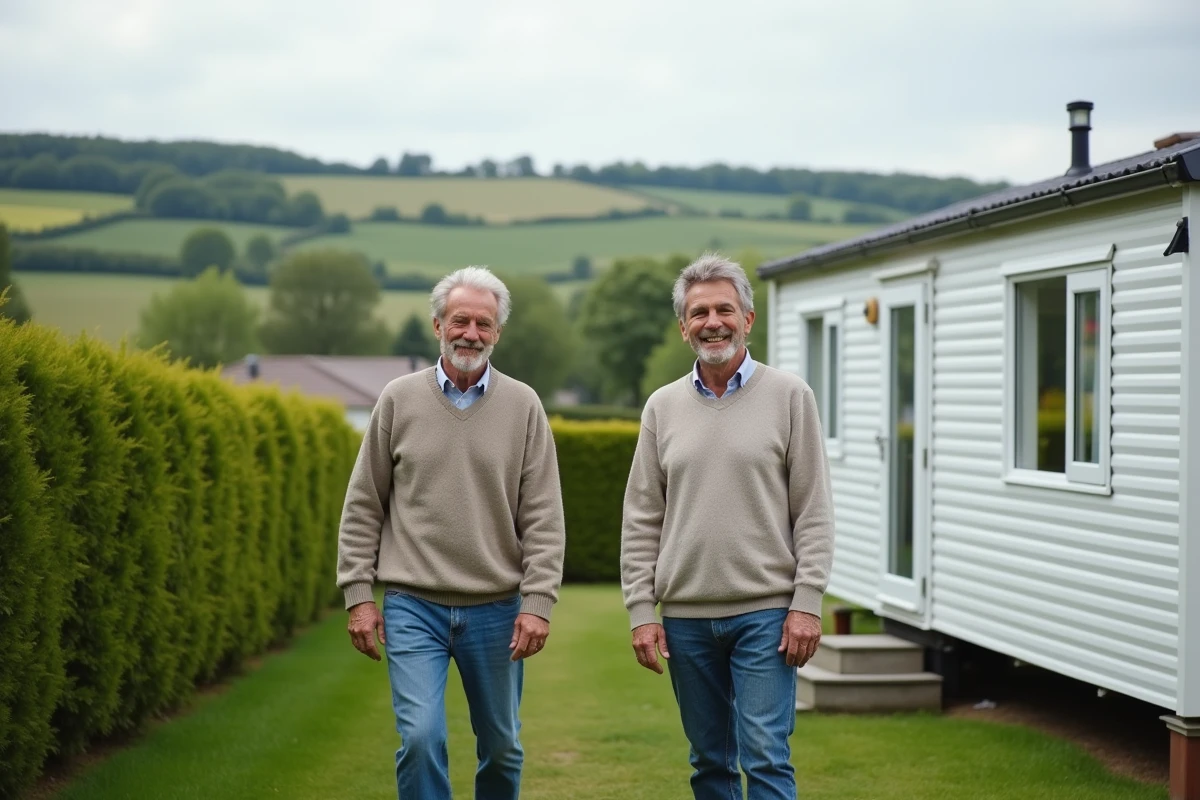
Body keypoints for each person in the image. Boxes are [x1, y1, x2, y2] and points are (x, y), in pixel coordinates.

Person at [337, 266, 566, 800]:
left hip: (497, 609)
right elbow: (364, 503)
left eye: (484, 324)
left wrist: (538, 602)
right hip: (413, 606)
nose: (471, 334)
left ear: (498, 332)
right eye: (460, 320)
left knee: (503, 748)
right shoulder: (397, 399)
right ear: (438, 325)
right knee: (420, 739)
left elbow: (544, 517)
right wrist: (358, 595)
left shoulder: (524, 405)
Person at [620, 253, 835, 800]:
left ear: (747, 319)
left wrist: (807, 603)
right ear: (683, 326)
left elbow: (813, 508)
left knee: (766, 756)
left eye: (724, 310)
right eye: (699, 313)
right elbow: (641, 518)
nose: (712, 322)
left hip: (767, 614)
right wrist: (642, 612)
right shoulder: (661, 407)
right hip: (686, 621)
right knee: (709, 762)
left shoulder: (791, 396)